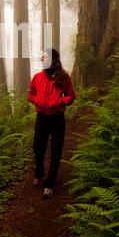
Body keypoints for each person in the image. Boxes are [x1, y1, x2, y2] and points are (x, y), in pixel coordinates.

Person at [28, 48, 75, 199]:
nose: (42, 60)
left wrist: (60, 101)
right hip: (42, 116)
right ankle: (39, 172)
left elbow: (71, 96)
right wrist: (38, 101)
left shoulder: (63, 76)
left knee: (56, 150)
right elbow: (31, 94)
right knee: (38, 146)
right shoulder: (37, 77)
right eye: (42, 58)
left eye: (45, 57)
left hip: (57, 118)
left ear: (53, 60)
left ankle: (50, 184)